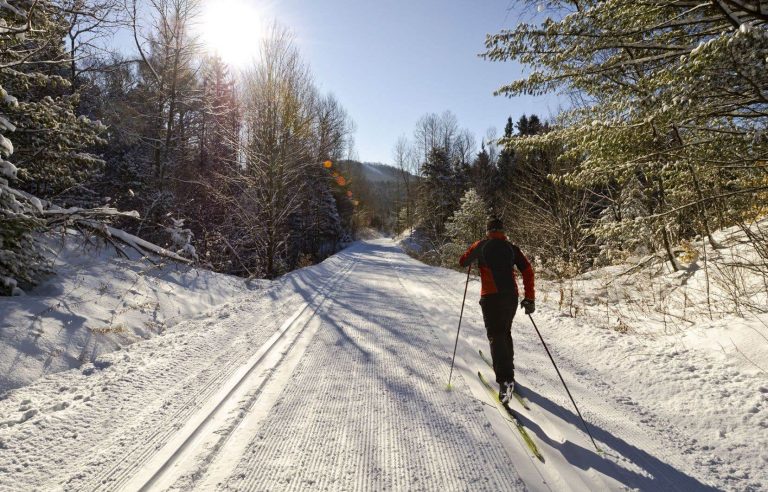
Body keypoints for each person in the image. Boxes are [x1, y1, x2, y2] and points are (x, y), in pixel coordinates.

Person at [459, 217, 535, 404]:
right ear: (502, 230)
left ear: (487, 230)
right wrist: (530, 298)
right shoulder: (511, 248)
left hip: (491, 297)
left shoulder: (481, 245)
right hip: (511, 297)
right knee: (504, 332)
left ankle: (505, 380)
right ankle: (509, 371)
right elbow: (528, 271)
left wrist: (475, 252)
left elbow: (463, 261)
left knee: (496, 336)